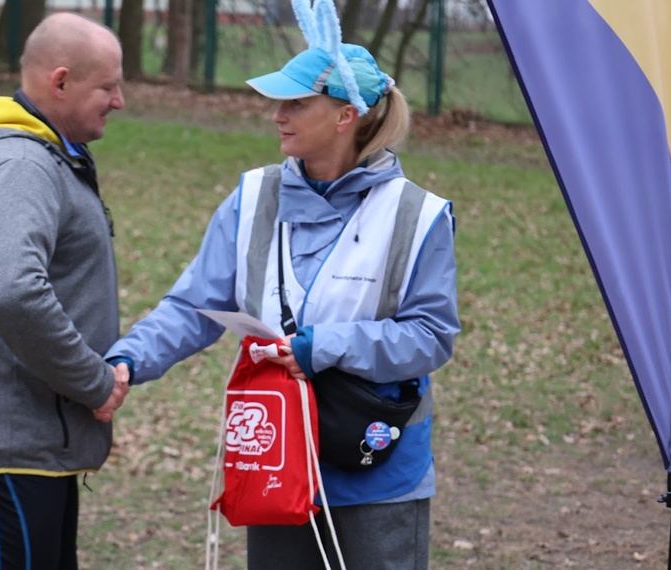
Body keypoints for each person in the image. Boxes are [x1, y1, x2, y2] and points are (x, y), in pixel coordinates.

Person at [105, 1, 459, 567]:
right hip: (273, 461)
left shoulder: (419, 216)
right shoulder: (250, 198)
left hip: (375, 472)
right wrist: (127, 360)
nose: (277, 114)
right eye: (278, 101)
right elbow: (195, 306)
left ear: (346, 116)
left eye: (296, 102)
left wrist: (322, 349)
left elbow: (430, 337)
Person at [0, 12, 129, 570]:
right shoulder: (19, 164)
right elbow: (14, 291)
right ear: (59, 82)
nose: (120, 100)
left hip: (39, 439)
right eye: (108, 86)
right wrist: (93, 382)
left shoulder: (48, 154)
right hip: (9, 444)